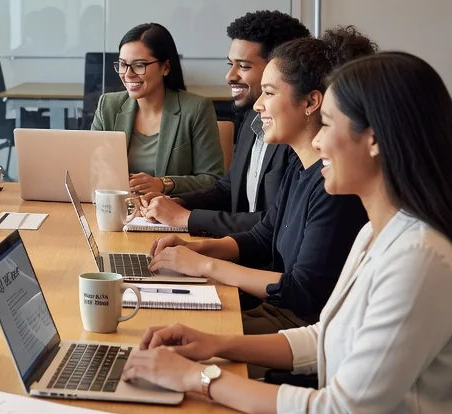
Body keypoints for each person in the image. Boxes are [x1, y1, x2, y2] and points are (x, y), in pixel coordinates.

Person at [105, 50, 452, 414]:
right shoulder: (380, 231)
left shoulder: (420, 257)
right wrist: (217, 344)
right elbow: (323, 338)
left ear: (375, 140)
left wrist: (201, 379)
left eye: (331, 127)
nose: (317, 145)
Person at [147, 28, 375, 334]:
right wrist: (195, 249)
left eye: (269, 92)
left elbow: (303, 294)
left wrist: (203, 265)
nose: (258, 105)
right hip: (277, 314)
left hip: (295, 327)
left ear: (311, 102)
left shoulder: (333, 185)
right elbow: (262, 237)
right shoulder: (298, 164)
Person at [144, 10, 310, 235]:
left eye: (243, 66)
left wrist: (186, 218)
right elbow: (228, 189)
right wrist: (176, 203)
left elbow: (277, 222)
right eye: (230, 64)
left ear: (278, 69)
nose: (229, 76)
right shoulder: (252, 117)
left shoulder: (297, 135)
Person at [91, 22, 224, 197]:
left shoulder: (196, 109)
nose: (128, 74)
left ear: (166, 67)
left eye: (139, 65)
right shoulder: (108, 105)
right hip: (116, 211)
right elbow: (89, 167)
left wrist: (162, 183)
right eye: (123, 64)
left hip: (167, 215)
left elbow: (213, 180)